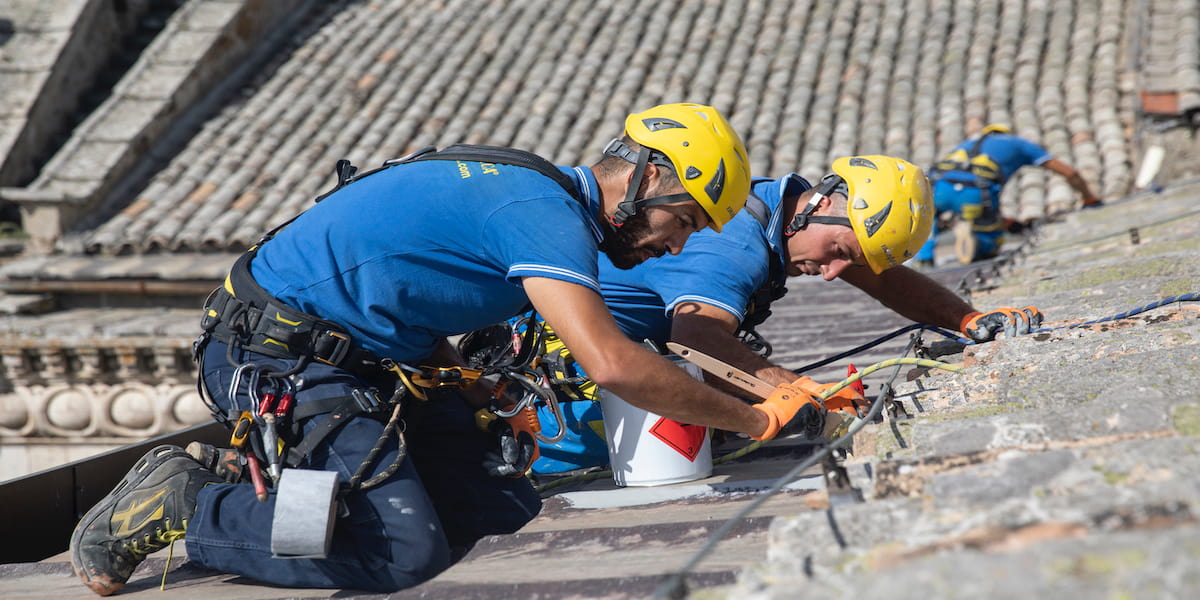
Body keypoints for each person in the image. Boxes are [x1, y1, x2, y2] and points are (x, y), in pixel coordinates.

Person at [66, 102, 849, 596]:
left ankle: (271, 485)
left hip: (361, 359)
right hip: (276, 357)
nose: (671, 245)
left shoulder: (542, 201)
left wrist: (466, 389)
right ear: (646, 179)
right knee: (398, 552)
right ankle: (183, 504)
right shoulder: (541, 213)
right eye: (679, 221)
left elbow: (411, 287)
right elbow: (611, 362)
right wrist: (754, 421)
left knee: (495, 505)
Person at [520, 155, 1046, 474]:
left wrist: (966, 320)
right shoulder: (737, 243)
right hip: (563, 404)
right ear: (821, 203)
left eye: (851, 261)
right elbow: (697, 336)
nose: (835, 273)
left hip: (626, 383)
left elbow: (883, 277)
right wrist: (799, 391)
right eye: (840, 249)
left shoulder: (781, 213)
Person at [914, 124, 1102, 266]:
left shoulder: (966, 144)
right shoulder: (1019, 144)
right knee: (989, 243)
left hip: (939, 188)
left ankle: (925, 259)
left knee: (929, 222)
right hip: (977, 192)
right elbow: (1069, 173)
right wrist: (1089, 198)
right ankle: (979, 243)